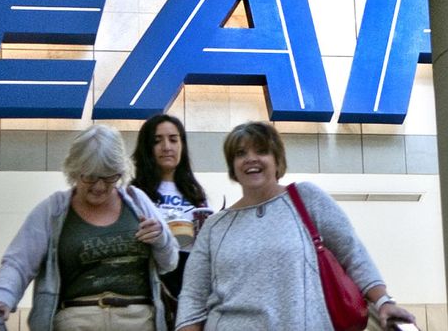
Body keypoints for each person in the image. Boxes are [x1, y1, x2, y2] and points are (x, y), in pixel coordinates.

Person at [175, 122, 416, 330]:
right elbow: (193, 295)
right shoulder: (216, 226)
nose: (250, 158)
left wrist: (384, 301)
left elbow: (353, 254)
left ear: (277, 161)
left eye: (261, 151)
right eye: (240, 153)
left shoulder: (306, 198)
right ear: (233, 167)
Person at [0, 125, 181, 330]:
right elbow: (20, 261)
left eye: (109, 177)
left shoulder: (137, 202)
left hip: (138, 320)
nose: (99, 187)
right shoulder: (52, 211)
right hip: (77, 320)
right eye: (90, 176)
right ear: (74, 171)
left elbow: (169, 262)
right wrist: (1, 296)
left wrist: (161, 239)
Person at [131, 114, 209, 295]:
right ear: (146, 147)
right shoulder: (134, 194)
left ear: (182, 145)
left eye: (173, 140)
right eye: (157, 141)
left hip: (189, 283)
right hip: (149, 279)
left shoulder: (196, 194)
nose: (167, 147)